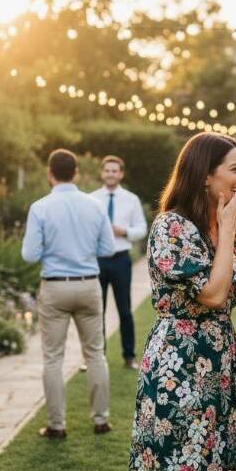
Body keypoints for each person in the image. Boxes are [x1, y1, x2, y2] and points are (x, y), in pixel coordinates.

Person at [124, 133, 236, 471]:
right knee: (180, 463)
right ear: (205, 176)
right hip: (180, 361)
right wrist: (227, 231)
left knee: (223, 459)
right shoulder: (171, 227)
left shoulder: (224, 224)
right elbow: (210, 295)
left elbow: (224, 297)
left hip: (221, 357)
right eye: (235, 169)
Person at [21, 149, 116, 439]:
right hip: (88, 285)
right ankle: (100, 420)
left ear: (50, 174)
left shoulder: (40, 207)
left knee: (52, 358)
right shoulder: (95, 205)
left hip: (55, 285)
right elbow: (108, 249)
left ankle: (56, 425)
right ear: (76, 173)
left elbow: (29, 254)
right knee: (96, 354)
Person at [89, 155, 147, 370]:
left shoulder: (131, 199)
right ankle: (96, 357)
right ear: (102, 173)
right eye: (107, 170)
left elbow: (141, 229)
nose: (111, 174)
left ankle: (129, 357)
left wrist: (125, 231)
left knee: (125, 310)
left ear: (121, 174)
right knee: (96, 311)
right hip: (97, 261)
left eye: (115, 171)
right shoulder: (91, 199)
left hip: (121, 260)